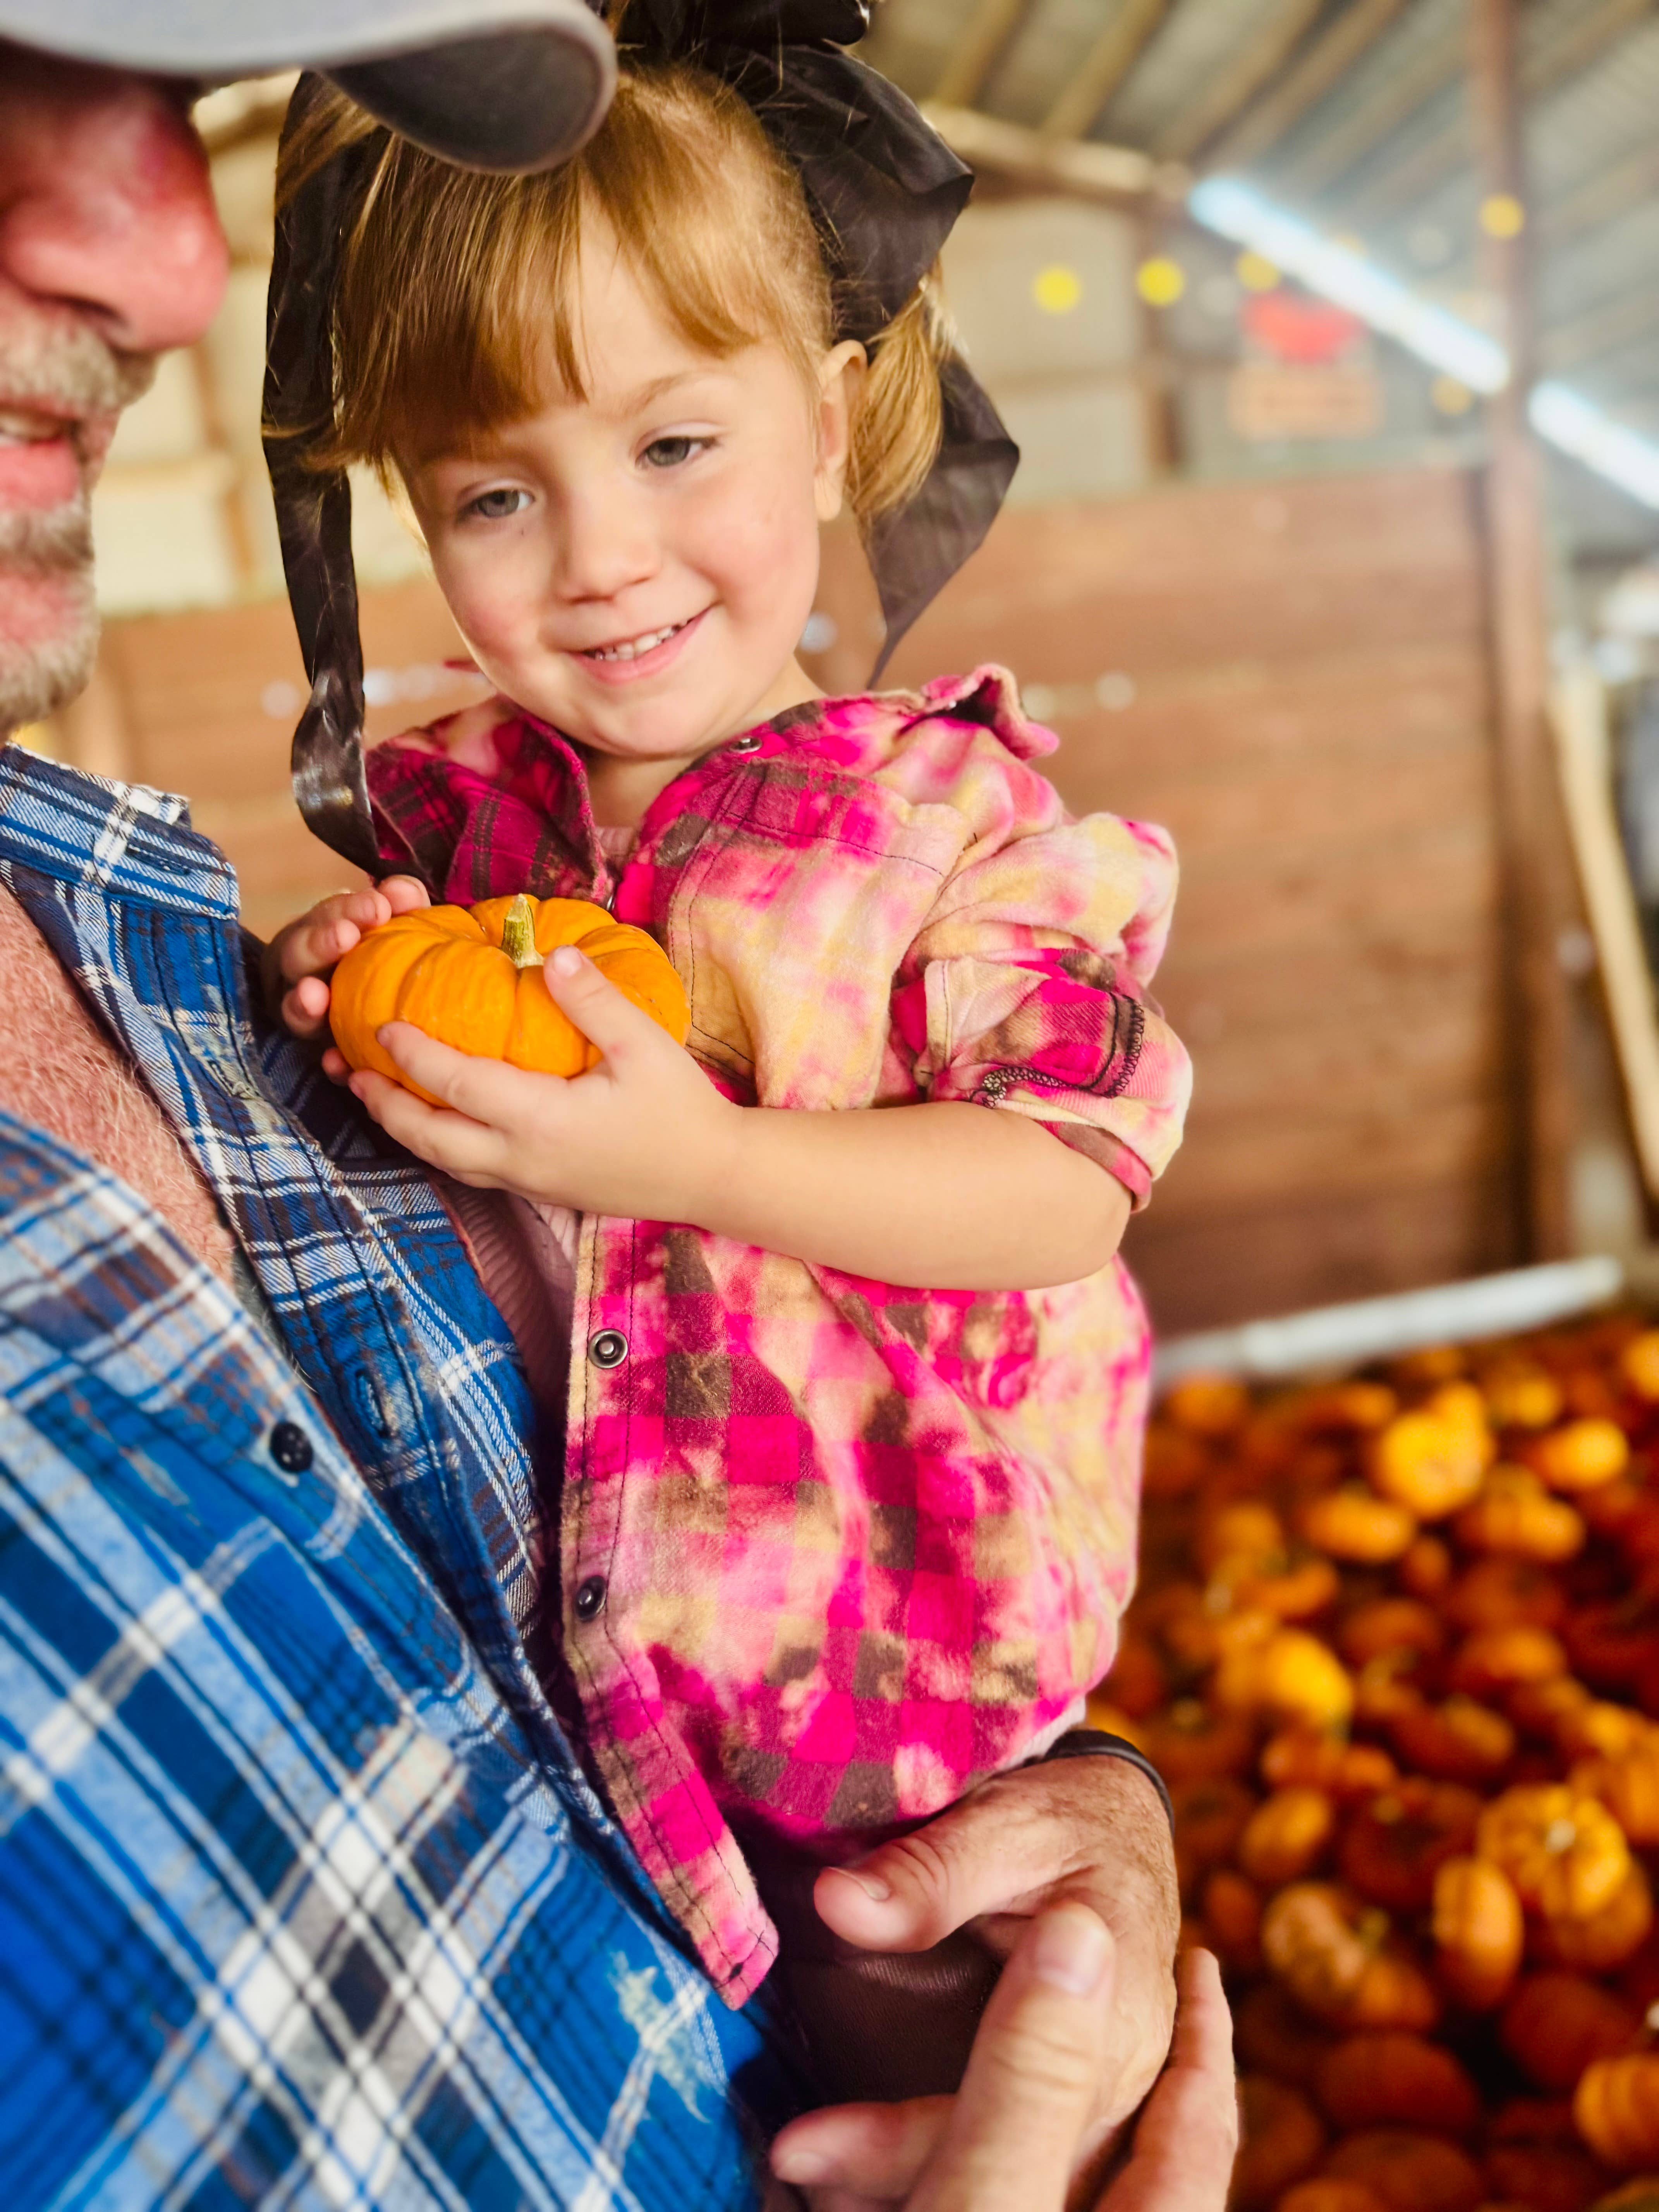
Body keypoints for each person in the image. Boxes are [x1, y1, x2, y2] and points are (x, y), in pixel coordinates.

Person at [0, 2, 1197, 2203]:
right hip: (629, 1650)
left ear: (833, 426)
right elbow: (426, 1122)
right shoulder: (464, 817)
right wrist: (355, 984)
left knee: (913, 2006)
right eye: (492, 492)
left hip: (889, 1621)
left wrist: (702, 1163)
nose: (598, 557)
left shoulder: (949, 828)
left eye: (673, 448)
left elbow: (1063, 1190)